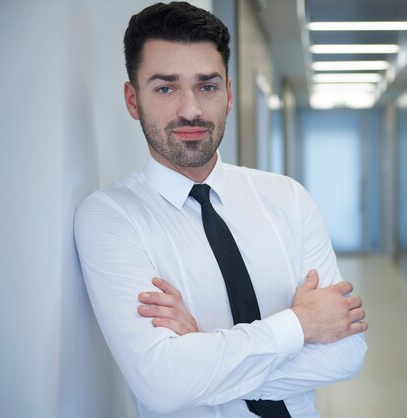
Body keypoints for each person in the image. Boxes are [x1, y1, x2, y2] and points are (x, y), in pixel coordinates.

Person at [74, 2, 368, 417]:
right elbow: (163, 385)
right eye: (165, 88)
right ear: (132, 99)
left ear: (229, 94)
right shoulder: (110, 217)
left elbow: (345, 355)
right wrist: (300, 325)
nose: (190, 110)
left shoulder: (288, 198)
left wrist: (204, 346)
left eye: (207, 86)